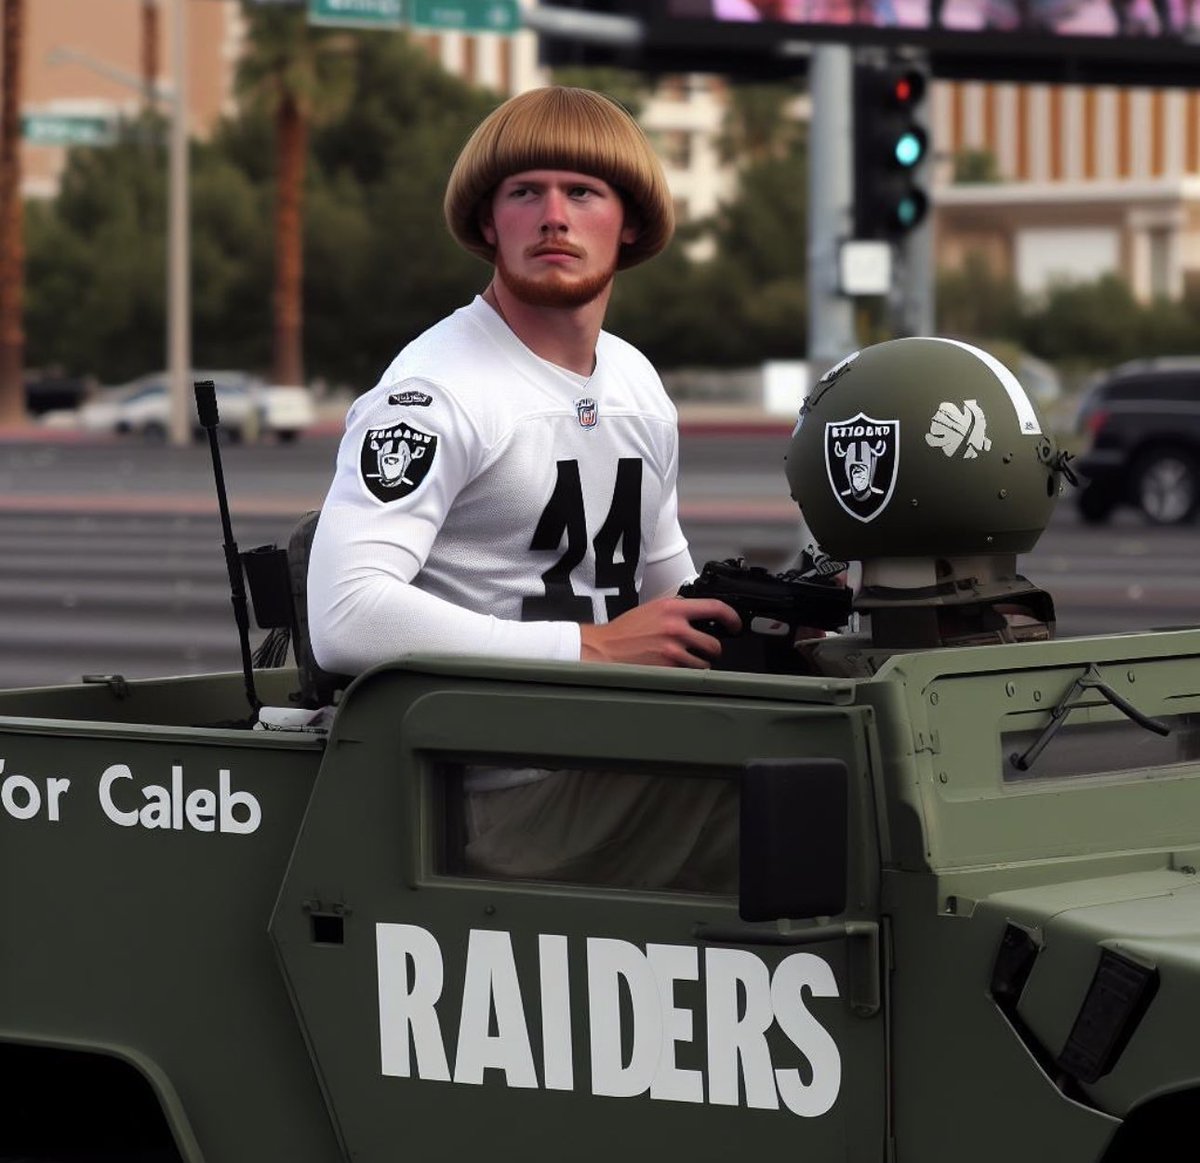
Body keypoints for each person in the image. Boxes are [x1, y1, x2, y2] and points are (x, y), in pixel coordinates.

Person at [307, 86, 740, 894]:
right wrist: (589, 648)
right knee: (812, 796)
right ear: (487, 222)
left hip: (607, 757)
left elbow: (665, 593)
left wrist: (773, 628)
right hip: (487, 798)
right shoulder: (433, 390)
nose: (554, 217)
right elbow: (345, 615)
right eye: (525, 192)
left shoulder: (637, 383)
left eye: (583, 191)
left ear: (630, 222)